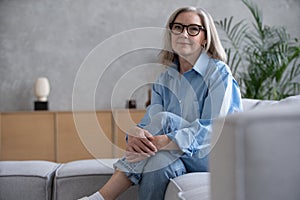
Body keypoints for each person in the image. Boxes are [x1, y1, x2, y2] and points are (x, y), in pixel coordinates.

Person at [79, 6, 243, 200]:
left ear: (205, 38)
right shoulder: (165, 79)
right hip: (176, 155)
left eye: (193, 29)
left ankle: (100, 197)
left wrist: (164, 140)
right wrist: (136, 134)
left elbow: (215, 129)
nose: (184, 33)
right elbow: (150, 122)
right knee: (160, 162)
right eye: (178, 27)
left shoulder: (218, 72)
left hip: (214, 157)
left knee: (164, 120)